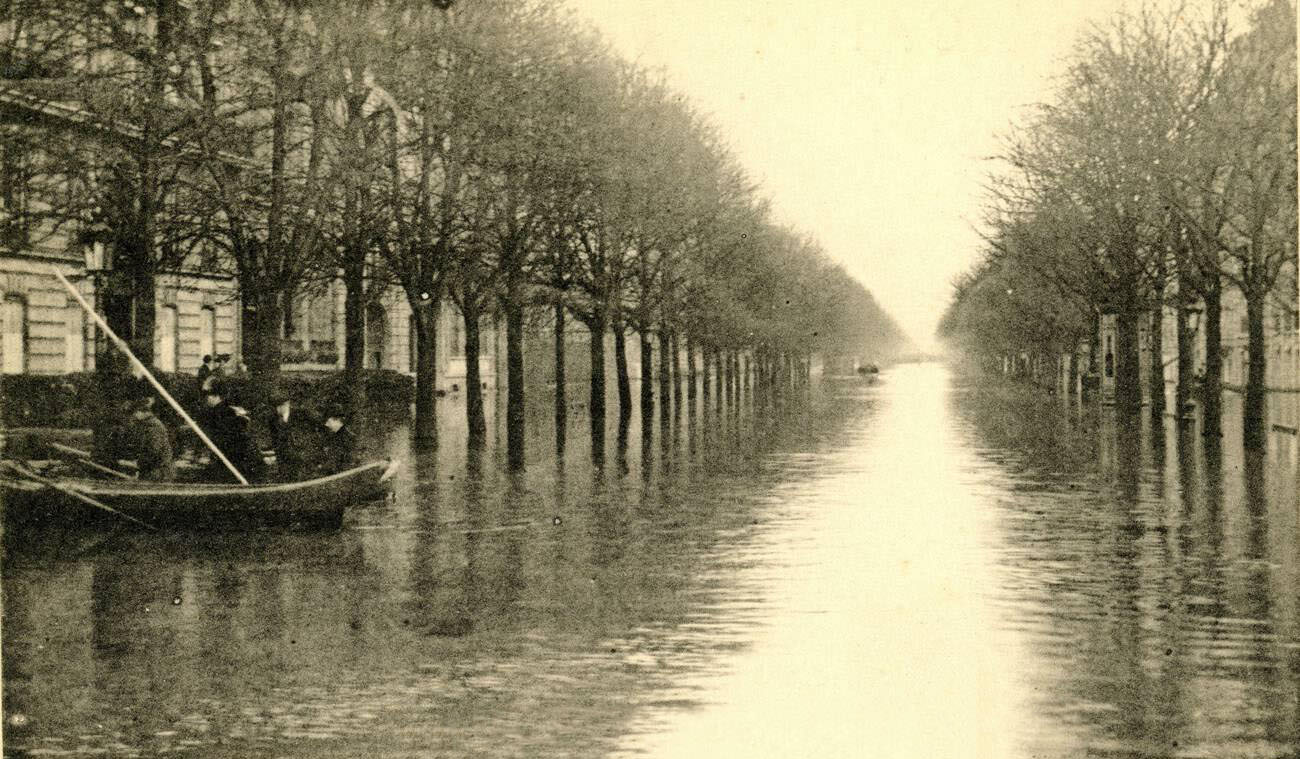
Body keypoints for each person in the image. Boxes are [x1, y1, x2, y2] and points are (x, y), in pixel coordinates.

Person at [194, 381, 265, 483]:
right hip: (237, 459)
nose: (206, 398)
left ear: (217, 396)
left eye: (208, 395)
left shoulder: (219, 413)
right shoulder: (228, 411)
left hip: (235, 461)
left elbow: (224, 439)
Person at [124, 396, 175, 482]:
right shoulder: (146, 425)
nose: (133, 417)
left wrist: (137, 463)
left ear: (140, 412)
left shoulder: (153, 426)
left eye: (134, 413)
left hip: (159, 472)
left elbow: (154, 451)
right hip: (154, 470)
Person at [267, 393, 315, 481]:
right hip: (284, 459)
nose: (277, 409)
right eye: (276, 406)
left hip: (300, 456)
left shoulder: (301, 415)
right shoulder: (273, 419)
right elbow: (275, 440)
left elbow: (309, 434)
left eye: (280, 406)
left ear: (287, 404)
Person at [319, 407, 358, 475]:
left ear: (338, 421)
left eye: (328, 421)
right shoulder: (333, 437)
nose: (327, 424)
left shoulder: (348, 437)